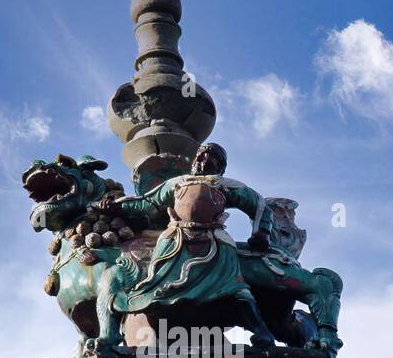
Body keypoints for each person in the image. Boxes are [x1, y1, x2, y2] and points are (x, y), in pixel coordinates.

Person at [99, 143, 277, 345]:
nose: (205, 162)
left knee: (235, 288)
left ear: (221, 167)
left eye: (213, 159)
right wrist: (116, 206)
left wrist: (261, 233)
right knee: (156, 283)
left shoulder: (226, 185)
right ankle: (125, 330)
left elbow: (260, 206)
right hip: (175, 241)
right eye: (201, 157)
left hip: (215, 242)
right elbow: (147, 203)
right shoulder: (178, 183)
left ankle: (262, 333)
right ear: (194, 162)